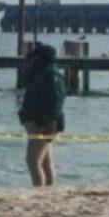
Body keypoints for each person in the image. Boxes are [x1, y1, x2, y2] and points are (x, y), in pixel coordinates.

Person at [18, 44, 66, 187]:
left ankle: (39, 192)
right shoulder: (43, 73)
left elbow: (56, 101)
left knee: (33, 162)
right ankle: (48, 192)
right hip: (40, 123)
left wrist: (51, 123)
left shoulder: (51, 75)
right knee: (45, 162)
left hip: (43, 124)